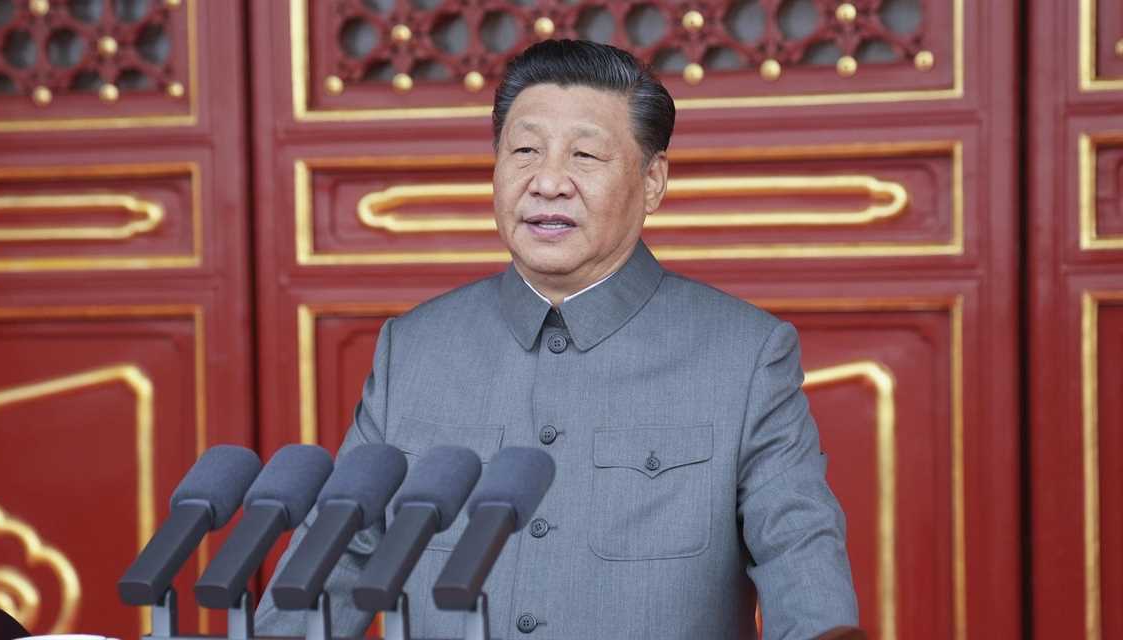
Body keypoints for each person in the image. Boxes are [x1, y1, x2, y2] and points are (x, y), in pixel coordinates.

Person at [256, 39, 858, 639]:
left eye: (585, 157)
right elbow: (340, 559)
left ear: (652, 181)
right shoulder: (414, 349)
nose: (548, 182)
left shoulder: (743, 355)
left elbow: (796, 548)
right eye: (524, 151)